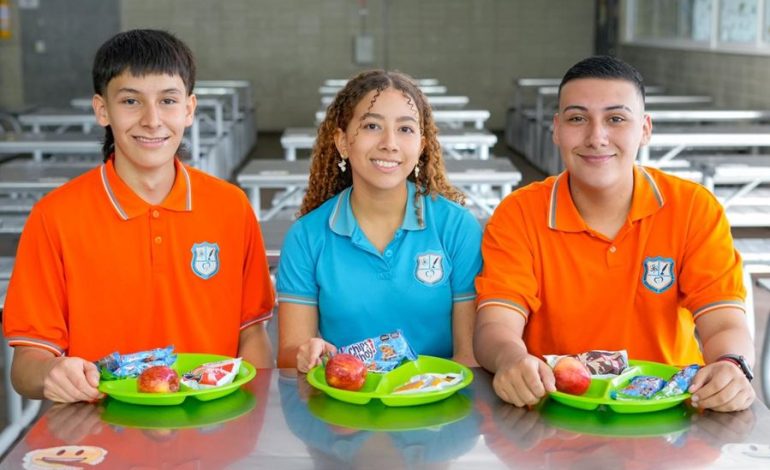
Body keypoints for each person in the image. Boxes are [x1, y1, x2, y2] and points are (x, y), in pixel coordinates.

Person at [3, 29, 275, 403]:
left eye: (167, 100)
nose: (151, 120)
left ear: (189, 109)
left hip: (212, 427)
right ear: (102, 110)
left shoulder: (231, 207)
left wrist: (250, 417)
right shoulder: (55, 217)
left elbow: (252, 333)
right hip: (99, 430)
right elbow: (27, 363)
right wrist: (51, 372)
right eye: (131, 101)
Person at [474, 55, 755, 412]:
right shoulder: (519, 214)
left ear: (645, 129)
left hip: (669, 414)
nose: (596, 137)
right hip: (551, 414)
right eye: (578, 119)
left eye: (616, 119)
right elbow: (495, 325)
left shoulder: (692, 208)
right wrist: (510, 360)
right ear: (556, 129)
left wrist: (732, 365)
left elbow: (725, 321)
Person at [276, 70, 481, 371]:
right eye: (372, 126)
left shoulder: (457, 227)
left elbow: (471, 358)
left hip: (439, 407)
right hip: (347, 406)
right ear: (342, 141)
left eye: (406, 129)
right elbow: (289, 355)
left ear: (422, 146)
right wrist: (306, 356)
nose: (390, 143)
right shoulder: (306, 237)